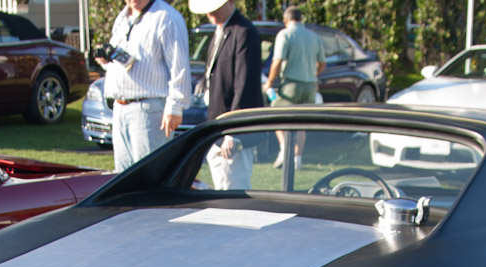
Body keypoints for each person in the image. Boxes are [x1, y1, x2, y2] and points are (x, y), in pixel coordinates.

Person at [97, 0, 190, 172]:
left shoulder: (166, 17)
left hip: (148, 110)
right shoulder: (122, 18)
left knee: (149, 176)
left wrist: (175, 106)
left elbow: (179, 65)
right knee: (123, 179)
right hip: (120, 108)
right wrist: (106, 61)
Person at [190, 0, 263, 190]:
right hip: (218, 129)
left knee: (233, 192)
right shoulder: (221, 30)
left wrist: (233, 130)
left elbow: (244, 84)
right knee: (223, 189)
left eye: (215, 9)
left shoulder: (244, 31)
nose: (211, 15)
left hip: (233, 133)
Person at [265, 6, 325, 169]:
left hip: (291, 83)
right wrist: (314, 74)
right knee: (301, 122)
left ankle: (285, 149)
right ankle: (297, 158)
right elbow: (322, 63)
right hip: (310, 84)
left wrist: (270, 82)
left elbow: (277, 61)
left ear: (286, 20)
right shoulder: (314, 36)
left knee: (275, 115)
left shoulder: (285, 34)